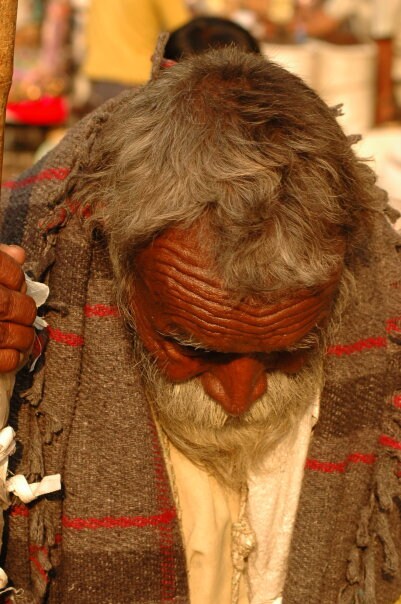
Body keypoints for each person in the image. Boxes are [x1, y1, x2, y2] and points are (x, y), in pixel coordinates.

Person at [0, 45, 401, 604]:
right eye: (197, 348)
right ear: (121, 267)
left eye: (285, 350)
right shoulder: (36, 280)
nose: (240, 397)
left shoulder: (386, 313)